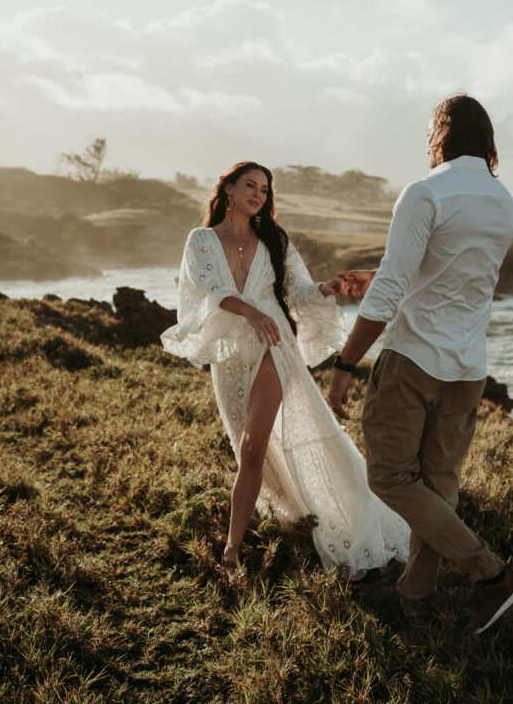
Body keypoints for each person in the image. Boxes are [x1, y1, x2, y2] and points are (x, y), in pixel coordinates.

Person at [328, 94, 513, 633]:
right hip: (467, 367)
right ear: (485, 139)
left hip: (414, 358)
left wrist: (346, 363)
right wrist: (390, 272)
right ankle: (415, 594)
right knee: (439, 486)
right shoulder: (502, 200)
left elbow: (396, 285)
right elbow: (453, 272)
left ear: (441, 133)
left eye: (429, 131)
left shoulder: (425, 191)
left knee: (391, 477)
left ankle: (490, 575)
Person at [161, 161, 410, 579]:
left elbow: (294, 290)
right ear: (229, 190)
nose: (258, 194)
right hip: (232, 356)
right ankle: (289, 513)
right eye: (250, 185)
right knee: (248, 447)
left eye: (264, 189)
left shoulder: (273, 239)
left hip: (275, 344)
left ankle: (231, 550)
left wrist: (326, 288)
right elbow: (211, 289)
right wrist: (248, 313)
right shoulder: (201, 239)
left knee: (252, 448)